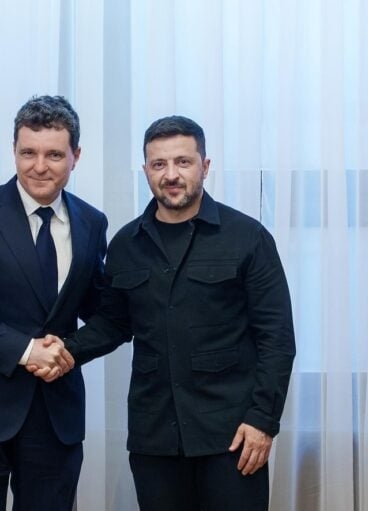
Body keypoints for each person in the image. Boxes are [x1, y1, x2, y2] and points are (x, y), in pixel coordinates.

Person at [35, 115, 295, 510]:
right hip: (154, 438)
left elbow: (277, 339)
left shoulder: (248, 237)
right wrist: (64, 350)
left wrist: (263, 421)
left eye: (183, 162)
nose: (171, 174)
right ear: (146, 171)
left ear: (205, 166)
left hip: (232, 436)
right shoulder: (126, 244)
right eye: (159, 164)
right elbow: (113, 323)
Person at [0, 95, 107, 510]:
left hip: (56, 413)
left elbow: (100, 311)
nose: (39, 166)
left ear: (76, 156)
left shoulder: (92, 222)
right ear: (14, 150)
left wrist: (69, 352)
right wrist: (27, 351)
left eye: (54, 155)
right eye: (28, 153)